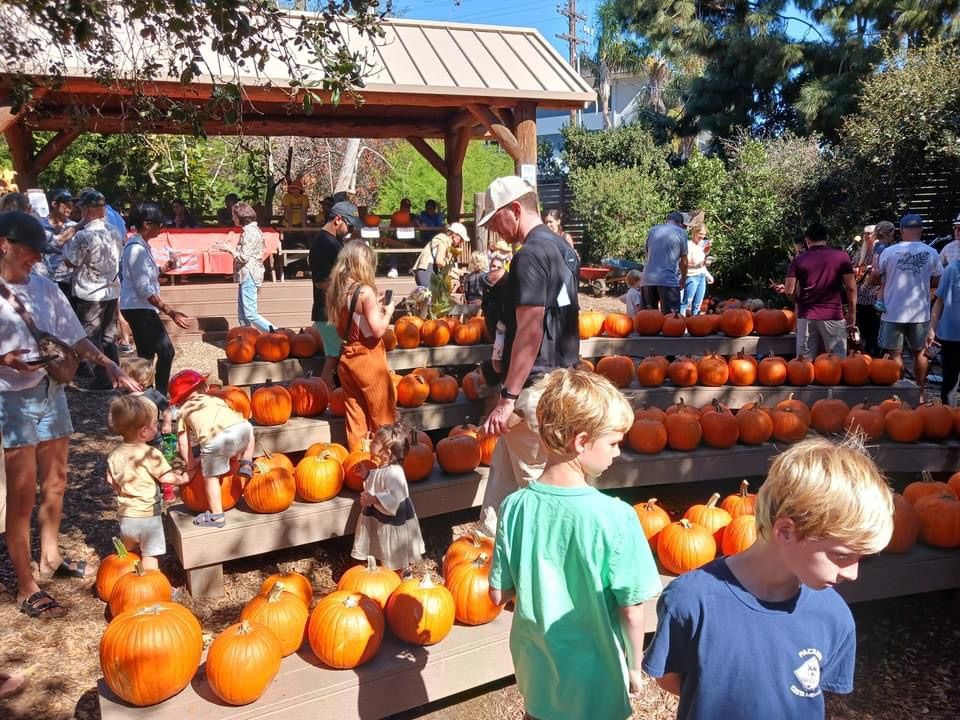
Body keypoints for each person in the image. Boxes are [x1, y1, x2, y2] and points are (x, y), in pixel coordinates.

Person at [644, 436, 894, 719]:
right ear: (786, 531)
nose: (853, 573)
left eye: (862, 558)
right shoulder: (691, 600)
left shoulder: (834, 617)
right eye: (841, 556)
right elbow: (671, 678)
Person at [489, 368, 660, 720]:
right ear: (581, 442)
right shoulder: (616, 517)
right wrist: (633, 664)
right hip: (598, 681)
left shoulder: (514, 506)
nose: (617, 453)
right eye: (613, 443)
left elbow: (498, 595)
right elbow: (631, 609)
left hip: (538, 673)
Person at [0, 211, 139, 619]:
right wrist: (4, 358)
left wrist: (108, 365)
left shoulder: (45, 288)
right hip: (12, 399)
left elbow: (76, 336)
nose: (36, 260)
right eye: (30, 252)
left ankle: (50, 556)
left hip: (51, 392)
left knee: (57, 483)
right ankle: (27, 585)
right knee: (22, 495)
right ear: (4, 245)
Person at [476, 176, 580, 536]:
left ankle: (550, 568)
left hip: (536, 389)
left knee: (540, 488)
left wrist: (507, 398)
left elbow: (531, 330)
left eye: (495, 220)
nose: (494, 230)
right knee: (504, 478)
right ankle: (491, 545)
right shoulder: (564, 249)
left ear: (515, 210)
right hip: (563, 381)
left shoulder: (529, 256)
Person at [326, 240, 398, 451]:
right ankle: (386, 463)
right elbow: (376, 330)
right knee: (382, 413)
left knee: (355, 417)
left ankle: (359, 464)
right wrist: (388, 312)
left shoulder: (337, 290)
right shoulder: (365, 292)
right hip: (368, 359)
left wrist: (375, 302)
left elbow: (351, 321)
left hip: (347, 356)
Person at [106, 395, 188, 569]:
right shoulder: (150, 453)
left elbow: (110, 480)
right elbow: (166, 478)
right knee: (150, 555)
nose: (156, 427)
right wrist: (183, 478)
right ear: (143, 431)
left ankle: (125, 577)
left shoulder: (114, 455)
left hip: (126, 516)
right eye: (154, 424)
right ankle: (150, 587)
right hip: (147, 516)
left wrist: (122, 490)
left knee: (128, 553)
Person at [169, 369, 256, 528]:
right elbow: (232, 417)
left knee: (210, 477)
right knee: (248, 432)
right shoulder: (216, 400)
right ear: (205, 388)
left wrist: (190, 465)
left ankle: (216, 516)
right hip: (242, 429)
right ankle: (246, 461)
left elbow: (183, 442)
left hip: (215, 441)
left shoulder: (183, 411)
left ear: (179, 401)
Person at [119, 202, 190, 395]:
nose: (162, 228)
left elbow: (144, 276)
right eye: (159, 224)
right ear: (147, 224)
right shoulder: (136, 249)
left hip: (138, 306)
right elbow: (144, 289)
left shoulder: (141, 247)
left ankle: (146, 395)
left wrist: (164, 269)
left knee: (146, 355)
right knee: (166, 351)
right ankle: (159, 395)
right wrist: (171, 311)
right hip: (139, 307)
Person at [869, 213, 941, 400]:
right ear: (921, 230)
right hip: (920, 313)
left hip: (892, 311)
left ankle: (899, 395)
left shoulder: (888, 252)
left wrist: (875, 276)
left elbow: (876, 278)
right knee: (921, 352)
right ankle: (921, 392)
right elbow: (936, 280)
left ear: (901, 230)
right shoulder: (931, 253)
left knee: (895, 354)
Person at [63, 189, 124, 390]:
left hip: (90, 292)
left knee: (90, 336)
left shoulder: (84, 236)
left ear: (87, 210)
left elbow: (71, 261)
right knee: (108, 335)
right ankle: (115, 372)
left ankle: (103, 376)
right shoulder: (114, 232)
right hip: (111, 290)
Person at [351, 421, 425, 572]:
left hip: (393, 519)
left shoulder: (394, 472)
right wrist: (365, 475)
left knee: (395, 548)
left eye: (376, 442)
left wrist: (373, 499)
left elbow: (395, 498)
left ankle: (400, 572)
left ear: (387, 453)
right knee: (384, 544)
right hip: (382, 515)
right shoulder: (383, 468)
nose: (371, 443)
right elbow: (378, 480)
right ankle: (389, 569)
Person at [782, 223, 856, 359]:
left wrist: (797, 300)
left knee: (803, 365)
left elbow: (788, 290)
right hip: (833, 314)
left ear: (807, 240)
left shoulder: (799, 260)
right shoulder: (842, 257)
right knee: (838, 363)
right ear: (826, 237)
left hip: (807, 315)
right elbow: (851, 287)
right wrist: (852, 312)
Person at [310, 201, 363, 388]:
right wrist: (353, 290)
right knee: (333, 359)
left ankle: (335, 396)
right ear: (338, 220)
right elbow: (322, 282)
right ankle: (330, 397)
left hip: (336, 311)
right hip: (328, 312)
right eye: (349, 225)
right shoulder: (322, 244)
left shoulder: (334, 241)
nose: (350, 229)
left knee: (339, 357)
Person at [215, 201, 274, 331]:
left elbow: (243, 257)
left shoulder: (250, 233)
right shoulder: (250, 231)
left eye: (233, 215)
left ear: (240, 216)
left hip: (250, 274)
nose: (232, 218)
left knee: (250, 313)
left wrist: (229, 249)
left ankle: (276, 333)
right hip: (246, 274)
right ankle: (247, 339)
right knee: (242, 315)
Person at [854, 222, 891, 356]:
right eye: (864, 233)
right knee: (863, 327)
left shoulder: (881, 250)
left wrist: (871, 269)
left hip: (875, 293)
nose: (866, 236)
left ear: (875, 234)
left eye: (869, 233)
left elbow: (881, 271)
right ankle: (866, 352)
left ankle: (876, 353)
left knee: (874, 327)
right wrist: (857, 270)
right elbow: (855, 266)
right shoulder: (861, 251)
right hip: (861, 294)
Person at [36, 188, 79, 300]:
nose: (70, 208)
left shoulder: (73, 225)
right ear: (54, 204)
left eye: (71, 205)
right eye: (66, 204)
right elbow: (56, 242)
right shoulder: (40, 225)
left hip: (69, 280)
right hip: (46, 279)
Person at [928, 254, 960, 405]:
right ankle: (948, 414)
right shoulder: (952, 270)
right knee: (950, 380)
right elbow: (939, 302)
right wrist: (932, 329)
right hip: (952, 336)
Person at [641, 211, 688, 313]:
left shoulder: (653, 230)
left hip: (647, 279)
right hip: (668, 280)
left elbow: (647, 253)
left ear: (668, 221)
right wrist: (683, 279)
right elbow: (684, 262)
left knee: (647, 320)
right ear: (680, 223)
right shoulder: (681, 232)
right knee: (671, 319)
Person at [410, 221, 468, 289]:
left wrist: (459, 273)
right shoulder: (443, 240)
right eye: (461, 239)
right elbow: (439, 261)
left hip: (430, 272)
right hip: (427, 272)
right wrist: (455, 270)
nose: (461, 242)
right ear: (455, 234)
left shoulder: (447, 244)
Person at [680, 220, 710, 316]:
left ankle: (696, 326)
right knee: (686, 302)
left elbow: (702, 264)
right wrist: (702, 262)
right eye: (700, 234)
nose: (702, 236)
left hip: (701, 277)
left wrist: (708, 274)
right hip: (691, 276)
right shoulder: (688, 245)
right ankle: (680, 325)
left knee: (697, 305)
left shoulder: (701, 246)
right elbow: (685, 263)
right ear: (694, 232)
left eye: (704, 235)